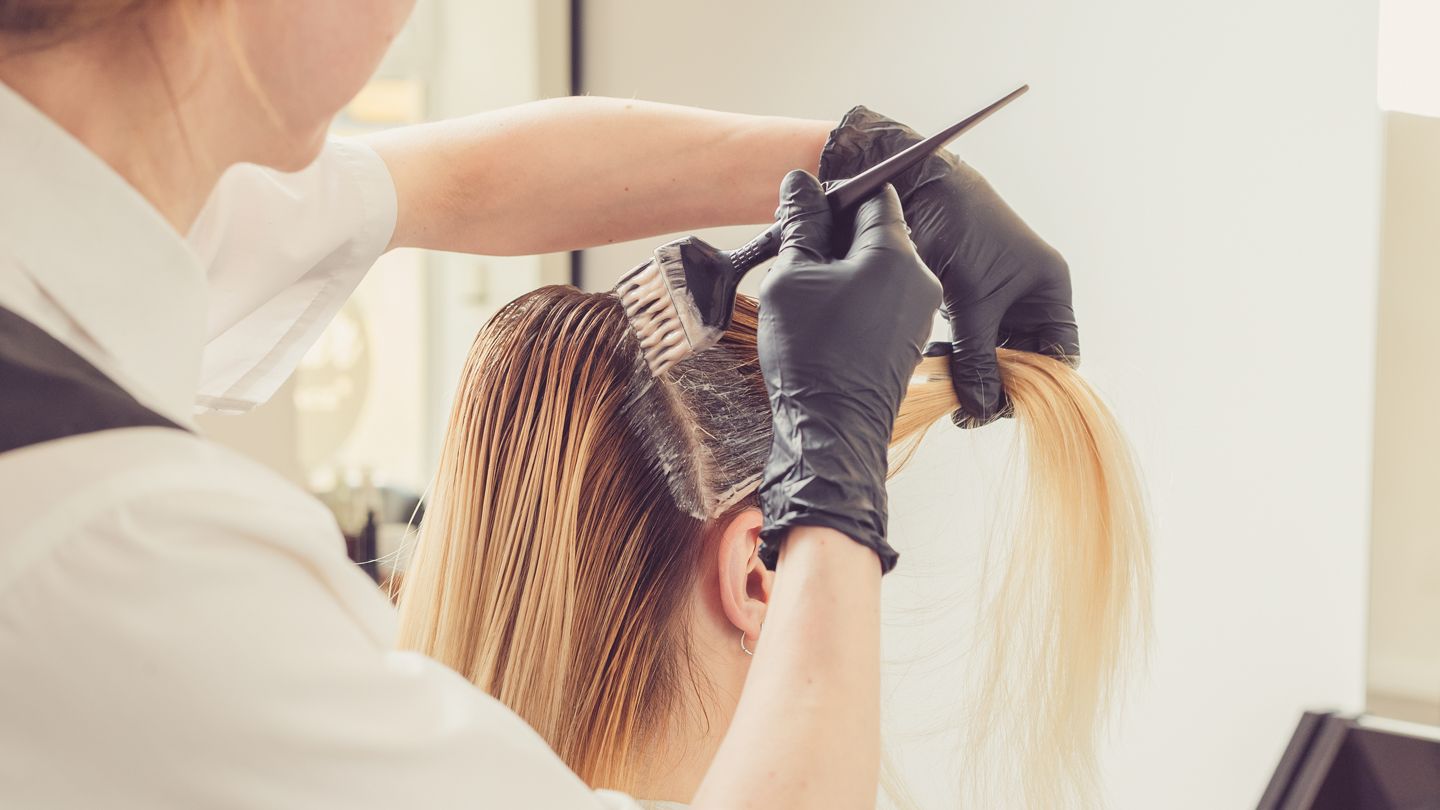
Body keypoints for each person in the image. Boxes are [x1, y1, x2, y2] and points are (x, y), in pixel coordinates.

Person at [0, 1, 1076, 807]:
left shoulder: (61, 232)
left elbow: (449, 181)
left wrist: (855, 163)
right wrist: (832, 498)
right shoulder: (118, 554)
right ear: (758, 572)